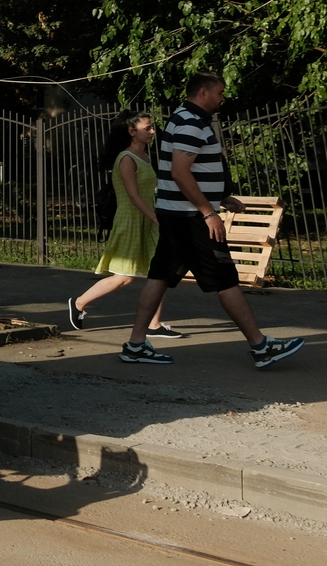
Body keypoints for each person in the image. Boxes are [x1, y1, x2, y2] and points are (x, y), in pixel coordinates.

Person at [121, 73, 306, 369]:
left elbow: (183, 171)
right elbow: (181, 173)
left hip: (177, 213)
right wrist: (208, 211)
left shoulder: (180, 118)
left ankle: (135, 345)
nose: (223, 98)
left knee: (160, 276)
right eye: (220, 92)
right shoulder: (191, 123)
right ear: (203, 92)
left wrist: (219, 197)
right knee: (225, 279)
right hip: (192, 218)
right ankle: (261, 347)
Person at [67, 112, 179, 336]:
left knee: (161, 272)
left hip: (148, 219)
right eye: (147, 128)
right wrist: (155, 217)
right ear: (131, 131)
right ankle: (79, 303)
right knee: (124, 277)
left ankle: (154, 325)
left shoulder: (145, 156)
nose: (152, 132)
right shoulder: (126, 158)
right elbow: (133, 196)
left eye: (152, 127)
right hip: (131, 220)